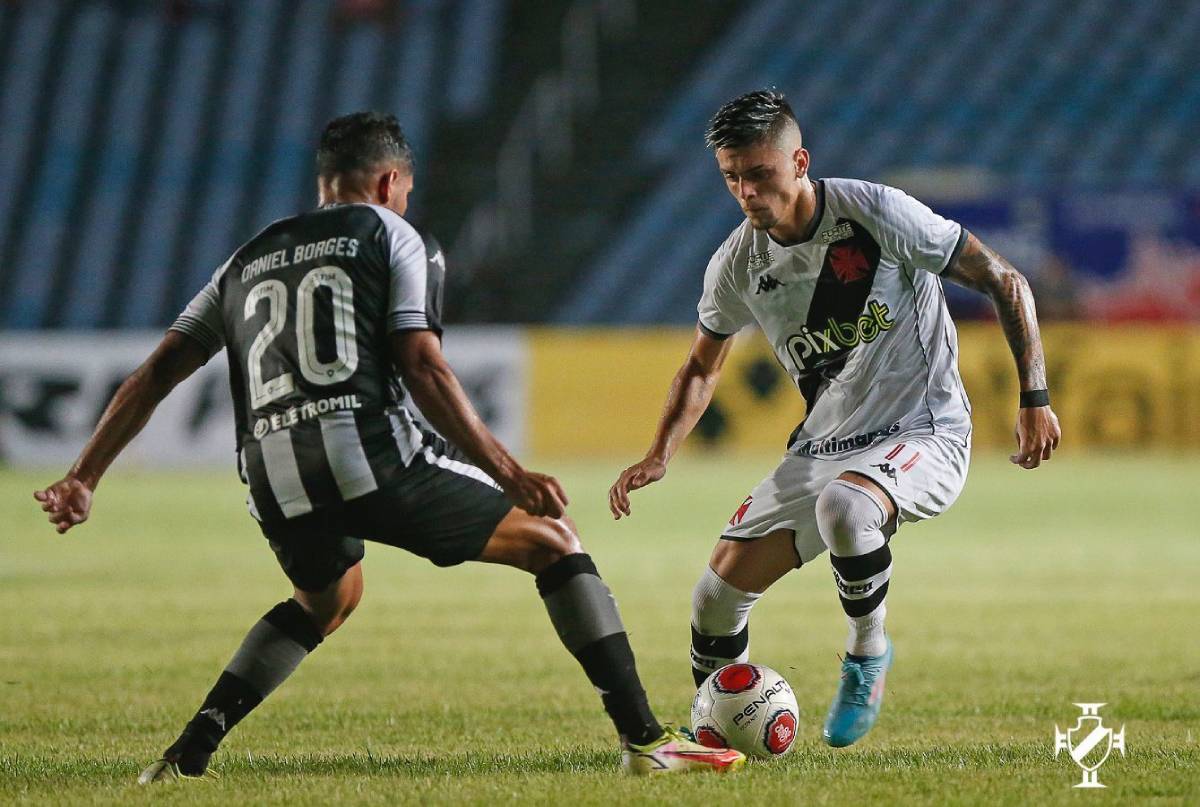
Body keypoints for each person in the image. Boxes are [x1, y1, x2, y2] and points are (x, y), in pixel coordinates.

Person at [34, 112, 744, 780]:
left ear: (325, 182)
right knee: (554, 538)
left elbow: (158, 369)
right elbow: (422, 362)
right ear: (387, 183)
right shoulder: (392, 236)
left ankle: (186, 755)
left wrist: (83, 475)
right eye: (403, 189)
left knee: (327, 599)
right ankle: (646, 740)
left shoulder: (247, 258)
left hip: (270, 473)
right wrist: (508, 469)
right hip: (364, 452)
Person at [608, 90, 1061, 748]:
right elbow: (702, 367)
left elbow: (1003, 277)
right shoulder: (737, 264)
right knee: (713, 597)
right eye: (732, 177)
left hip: (923, 429)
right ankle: (717, 733)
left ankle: (866, 655)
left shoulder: (876, 213)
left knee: (845, 510)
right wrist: (659, 453)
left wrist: (1035, 395)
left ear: (799, 161)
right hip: (823, 447)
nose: (747, 193)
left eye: (760, 174)